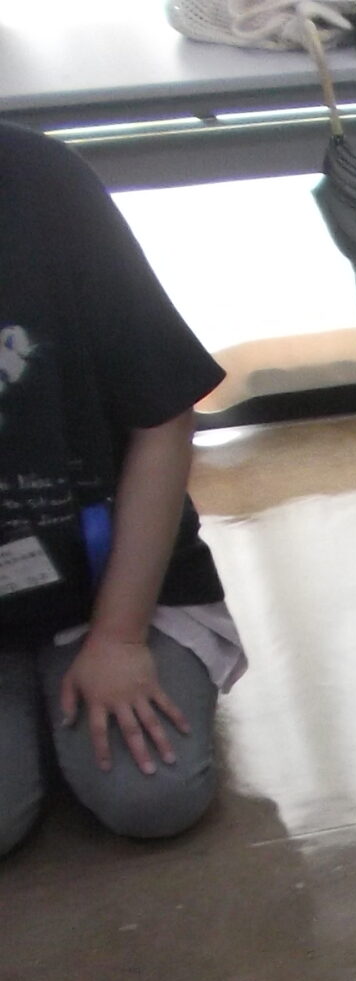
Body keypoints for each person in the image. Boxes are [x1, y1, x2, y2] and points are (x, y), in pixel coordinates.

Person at [1, 123, 240, 858]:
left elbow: (164, 416)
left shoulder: (40, 179)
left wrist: (118, 636)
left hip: (103, 580)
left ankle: (79, 673)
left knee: (153, 795)